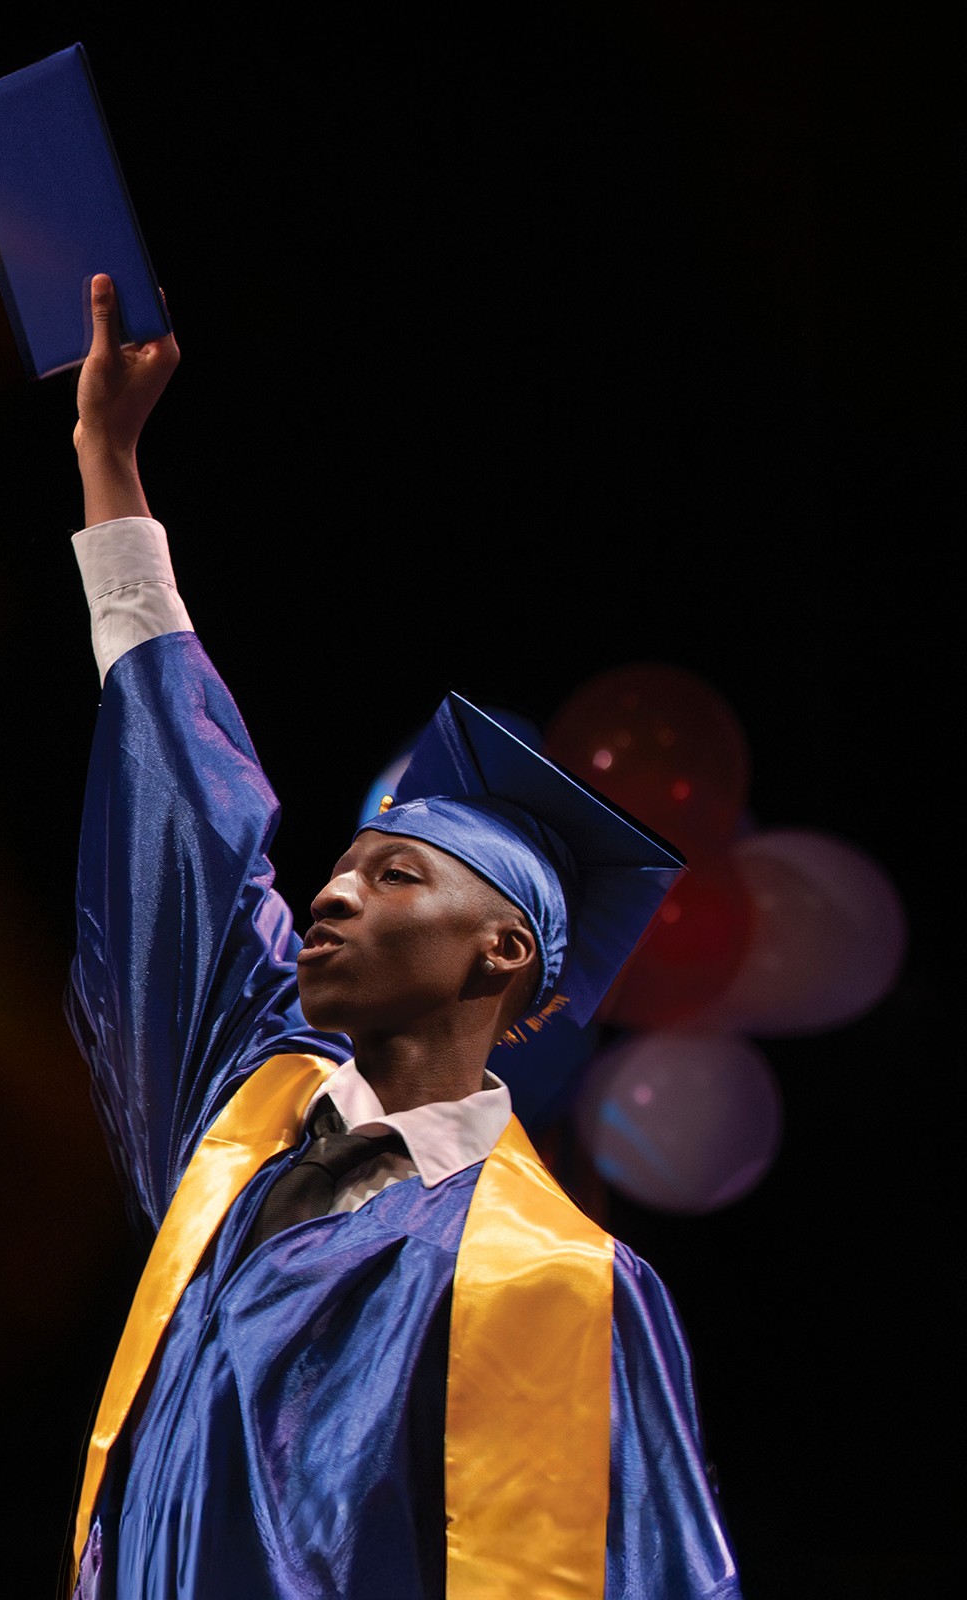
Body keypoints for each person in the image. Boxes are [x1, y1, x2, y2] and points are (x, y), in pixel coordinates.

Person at [56, 274, 741, 1599]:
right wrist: (109, 464)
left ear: (502, 954)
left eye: (397, 875)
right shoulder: (245, 1116)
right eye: (338, 868)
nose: (329, 894)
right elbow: (182, 820)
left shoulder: (554, 1284)